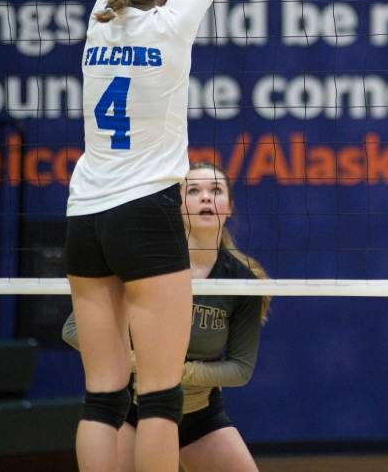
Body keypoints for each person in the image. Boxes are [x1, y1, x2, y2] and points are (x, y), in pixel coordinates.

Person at [64, 0, 247, 471]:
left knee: (102, 397)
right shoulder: (172, 26)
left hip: (85, 213)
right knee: (161, 396)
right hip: (145, 213)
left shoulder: (101, 19)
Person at [64, 163, 269, 472]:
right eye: (194, 191)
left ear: (228, 208)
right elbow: (72, 329)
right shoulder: (145, 265)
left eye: (216, 191)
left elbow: (240, 370)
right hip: (135, 411)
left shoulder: (242, 281)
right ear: (177, 206)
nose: (205, 199)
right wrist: (136, 360)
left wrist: (181, 371)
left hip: (201, 417)